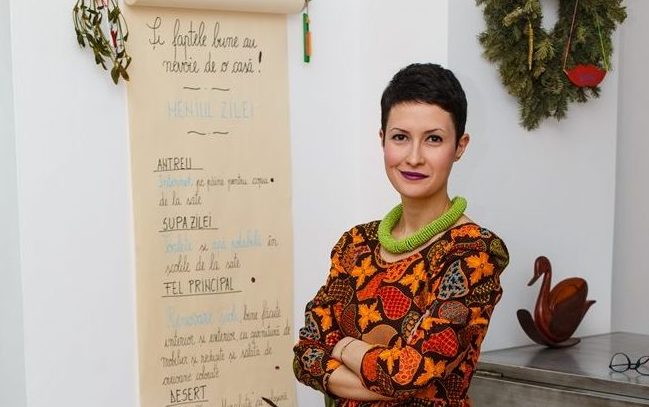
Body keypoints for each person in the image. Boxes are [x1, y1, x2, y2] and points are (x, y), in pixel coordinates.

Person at [293, 63, 509, 406]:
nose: (414, 157)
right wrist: (384, 374)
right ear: (382, 139)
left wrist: (342, 347)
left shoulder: (471, 253)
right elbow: (306, 355)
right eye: (400, 137)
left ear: (460, 146)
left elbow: (409, 375)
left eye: (433, 139)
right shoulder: (356, 245)